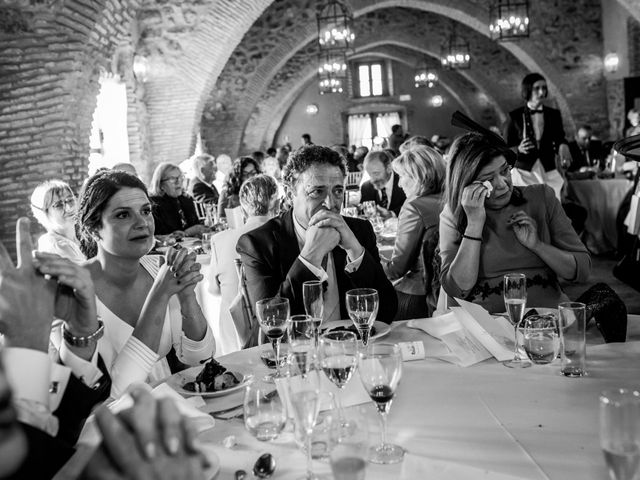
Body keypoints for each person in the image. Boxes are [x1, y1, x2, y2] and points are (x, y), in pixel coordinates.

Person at [77, 170, 215, 398]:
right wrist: (159, 295)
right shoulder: (76, 288)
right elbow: (115, 392)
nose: (142, 223)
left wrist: (187, 297)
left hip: (173, 407)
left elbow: (199, 357)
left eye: (146, 211)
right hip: (114, 422)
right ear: (94, 229)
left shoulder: (157, 266)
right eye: (123, 215)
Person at [236, 145, 398, 324]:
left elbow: (387, 312)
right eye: (317, 192)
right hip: (295, 350)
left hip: (352, 345)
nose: (330, 203)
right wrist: (310, 256)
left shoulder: (359, 231)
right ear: (290, 195)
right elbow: (271, 322)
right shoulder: (258, 243)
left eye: (337, 191)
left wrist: (355, 250)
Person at [439, 132, 591, 312]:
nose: (502, 184)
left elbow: (582, 271)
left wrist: (538, 246)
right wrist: (474, 224)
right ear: (467, 184)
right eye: (488, 180)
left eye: (504, 170)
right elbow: (457, 289)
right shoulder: (454, 214)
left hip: (547, 322)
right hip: (485, 327)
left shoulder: (541, 197)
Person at [208, 175, 279, 352]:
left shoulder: (219, 240)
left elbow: (213, 290)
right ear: (278, 205)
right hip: (277, 334)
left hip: (233, 342)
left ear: (243, 210)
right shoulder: (285, 237)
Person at [383, 146, 446, 319]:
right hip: (448, 295)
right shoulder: (451, 200)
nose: (399, 183)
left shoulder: (414, 207)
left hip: (418, 296)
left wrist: (369, 256)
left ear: (420, 177)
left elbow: (396, 269)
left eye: (403, 176)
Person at [505, 72, 569, 200]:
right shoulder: (515, 116)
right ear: (528, 89)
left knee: (553, 204)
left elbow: (560, 137)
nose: (541, 92)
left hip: (548, 167)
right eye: (537, 88)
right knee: (528, 205)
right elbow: (505, 146)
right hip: (524, 170)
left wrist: (563, 145)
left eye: (544, 88)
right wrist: (518, 149)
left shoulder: (554, 114)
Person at [30, 180, 85, 263]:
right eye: (58, 205)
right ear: (43, 213)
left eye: (70, 200)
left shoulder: (79, 236)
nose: (69, 208)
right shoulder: (57, 245)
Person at [149, 162, 207, 238]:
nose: (178, 182)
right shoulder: (154, 205)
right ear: (161, 184)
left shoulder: (186, 199)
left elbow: (195, 225)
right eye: (173, 179)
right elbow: (157, 237)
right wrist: (186, 233)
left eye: (180, 177)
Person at [360, 150, 407, 217]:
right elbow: (364, 212)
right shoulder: (366, 187)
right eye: (369, 174)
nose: (372, 180)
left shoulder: (404, 182)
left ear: (389, 168)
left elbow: (412, 207)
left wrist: (392, 214)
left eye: (376, 173)